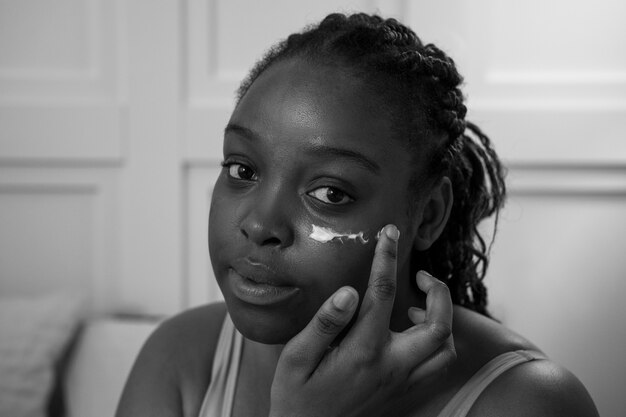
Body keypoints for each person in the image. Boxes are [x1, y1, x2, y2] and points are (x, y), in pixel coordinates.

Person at [116, 13, 599, 417]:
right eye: (243, 168)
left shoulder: (530, 402)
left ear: (427, 215)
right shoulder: (181, 359)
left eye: (330, 192)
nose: (260, 225)